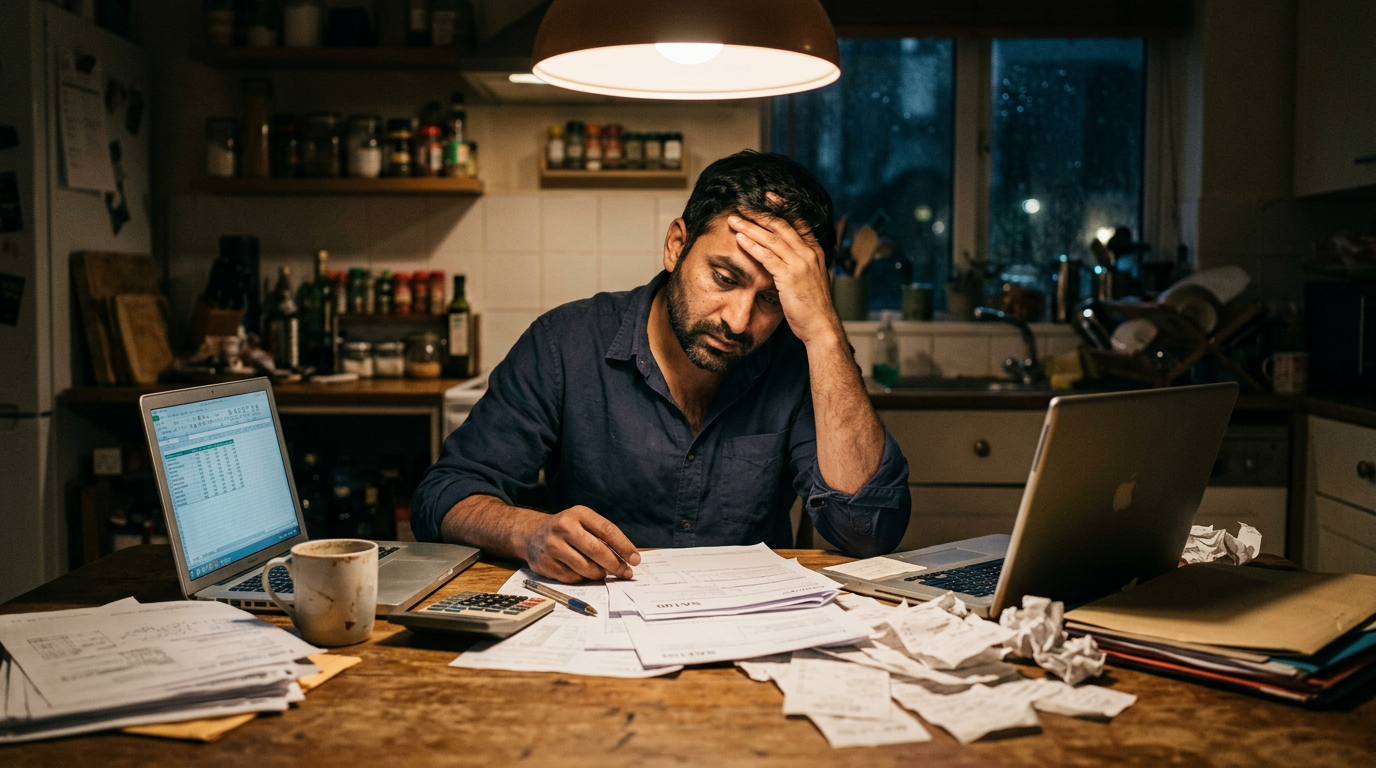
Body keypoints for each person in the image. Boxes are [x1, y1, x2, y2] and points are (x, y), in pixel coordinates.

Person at [412, 150, 910, 583]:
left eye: (773, 300)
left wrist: (823, 329)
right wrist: (528, 531)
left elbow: (868, 530)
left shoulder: (801, 363)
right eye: (723, 277)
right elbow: (443, 497)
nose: (738, 321)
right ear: (677, 245)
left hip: (749, 634)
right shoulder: (565, 343)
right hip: (589, 628)